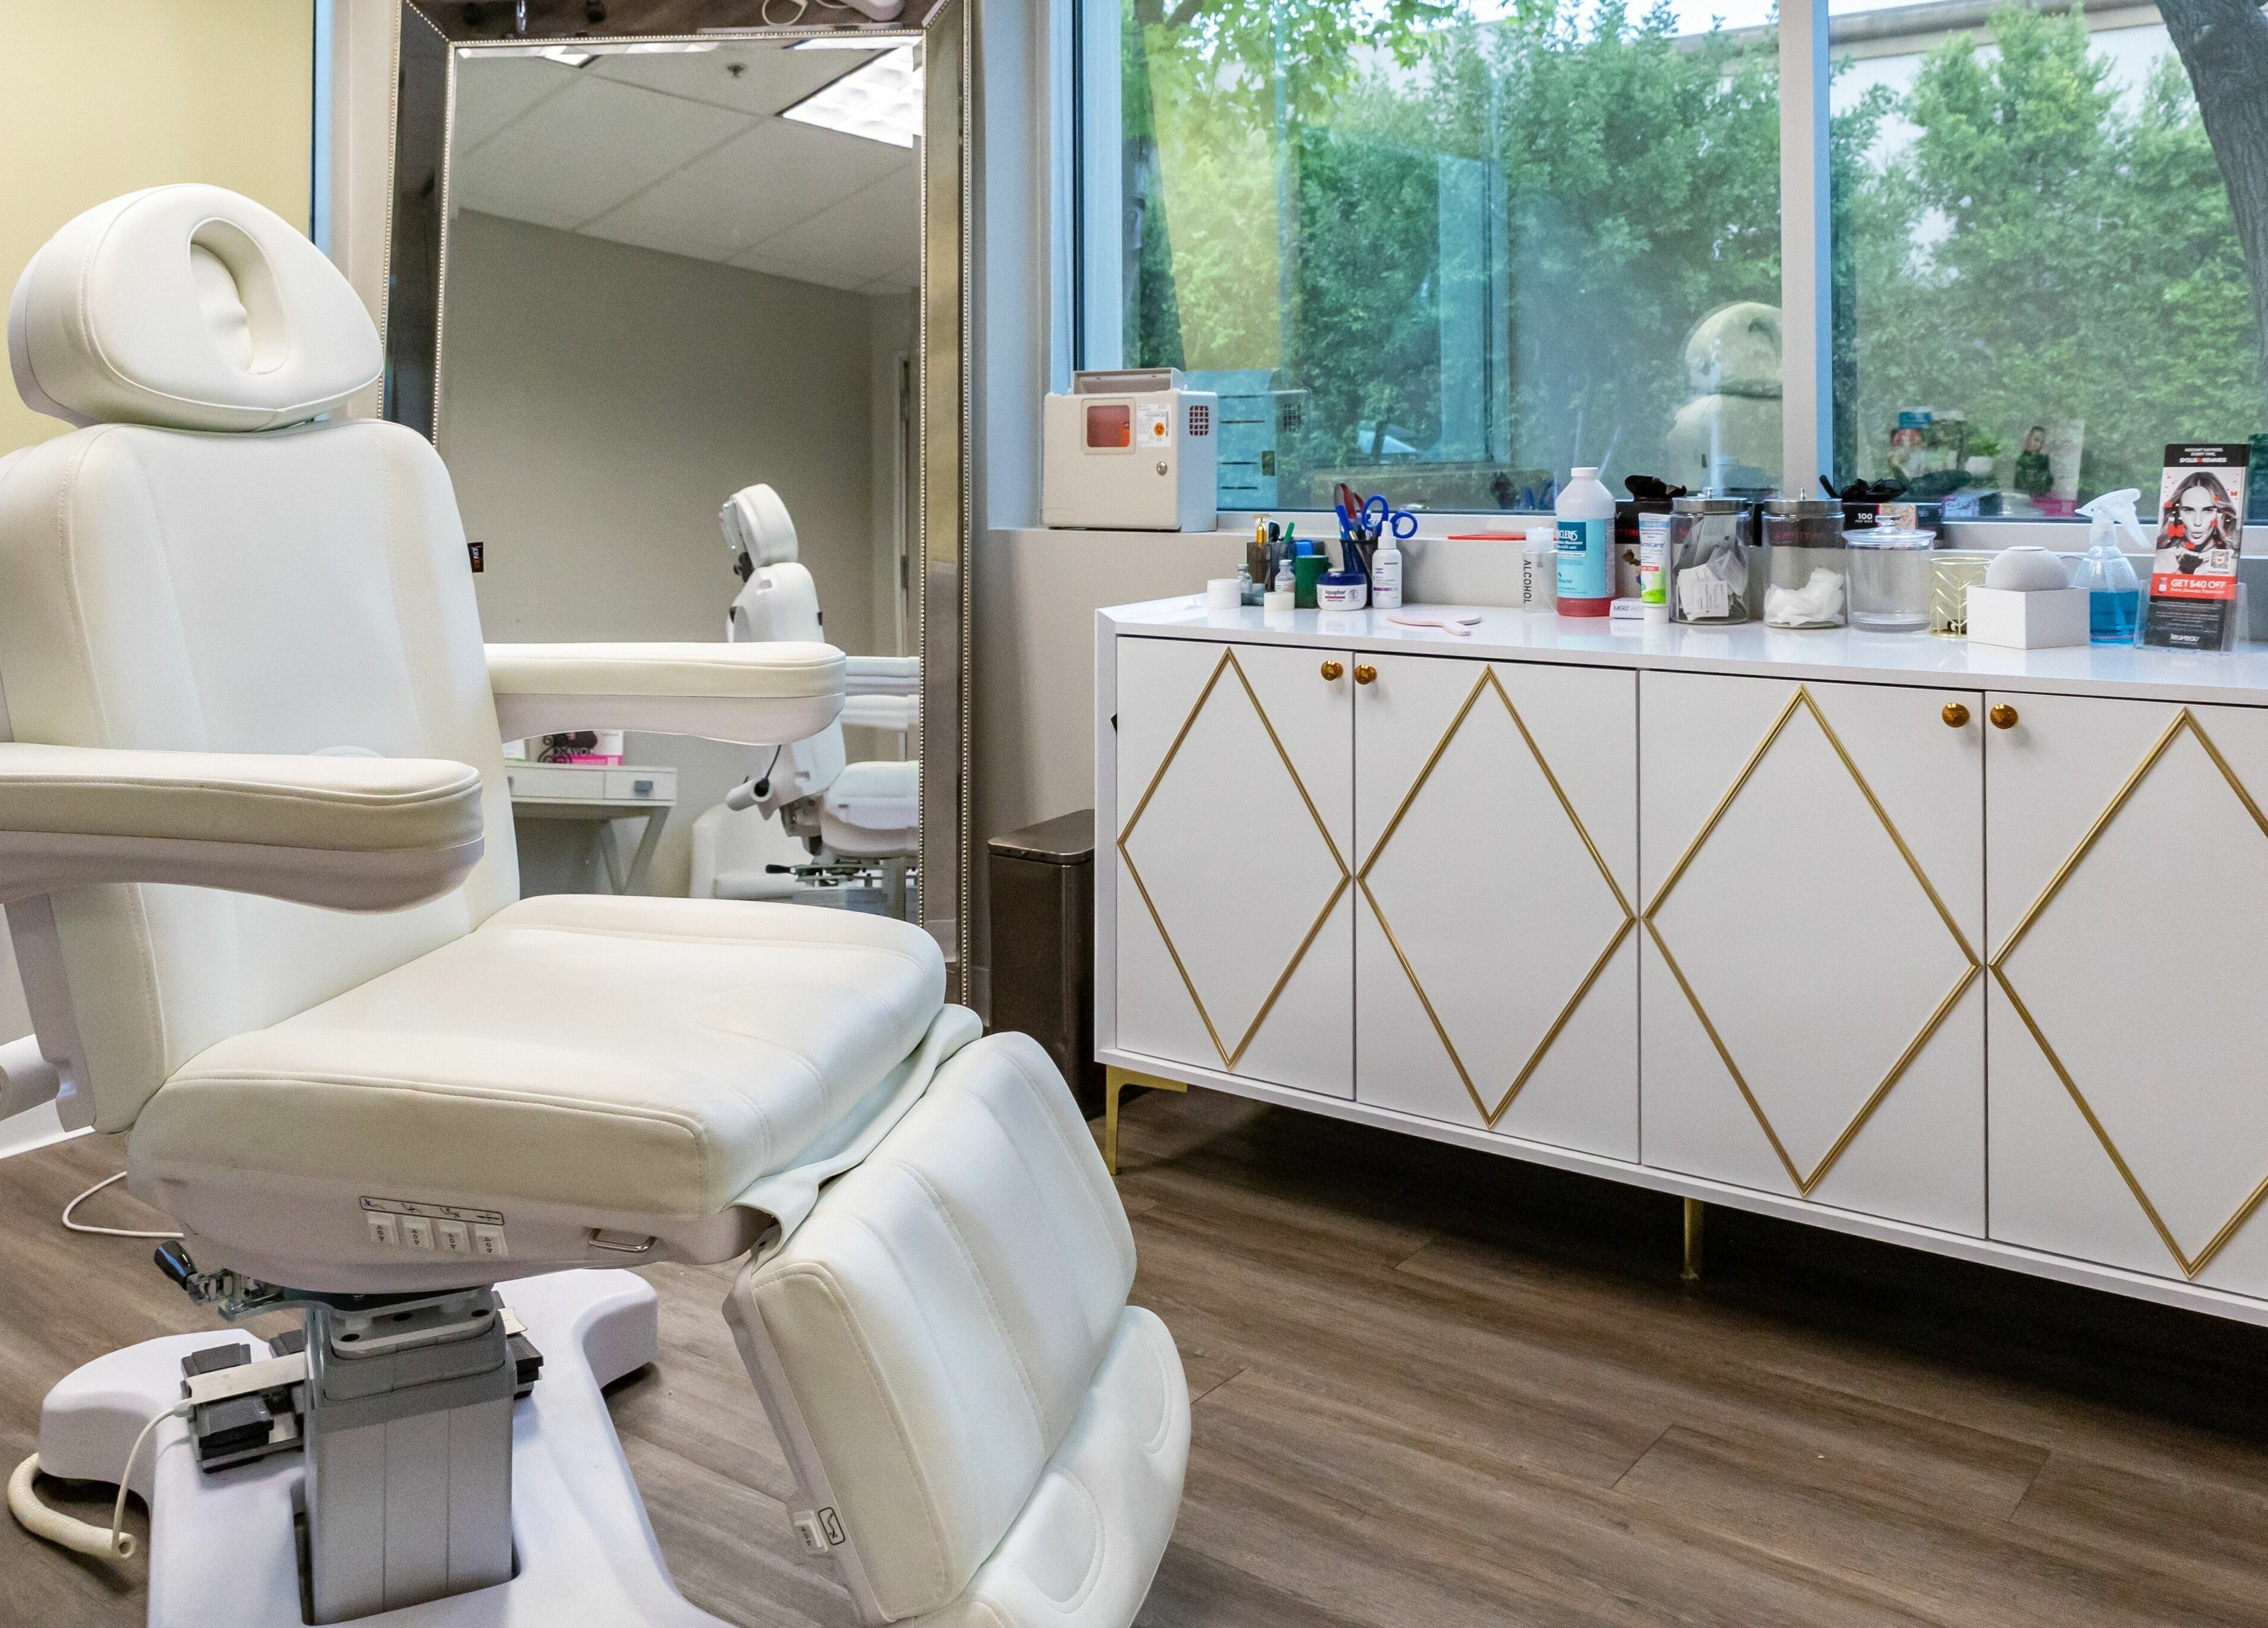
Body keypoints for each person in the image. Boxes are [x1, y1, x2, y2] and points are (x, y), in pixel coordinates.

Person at [2156, 468, 2242, 575]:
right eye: (2188, 510)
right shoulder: (2160, 559)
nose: (2198, 522)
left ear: (2221, 515)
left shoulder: (2232, 559)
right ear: (2177, 513)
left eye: (2208, 510)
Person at [2012, 425, 2052, 499]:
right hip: (2024, 497)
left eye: (2042, 442)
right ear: (2028, 439)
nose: (2039, 444)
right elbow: (2019, 483)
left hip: (2040, 499)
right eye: (2036, 440)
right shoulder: (2022, 460)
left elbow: (2047, 480)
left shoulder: (2044, 459)